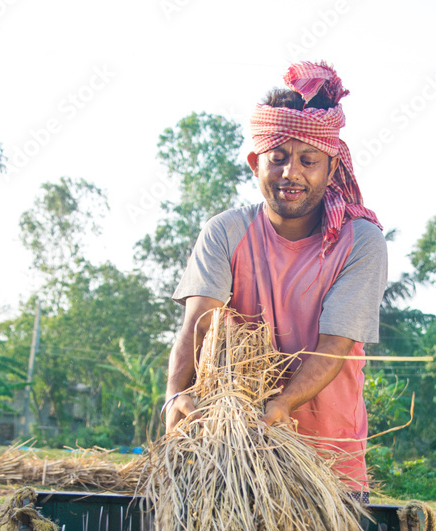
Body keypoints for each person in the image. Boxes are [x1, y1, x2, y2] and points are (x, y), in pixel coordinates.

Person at [165, 60, 387, 497]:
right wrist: (175, 395)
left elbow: (336, 346)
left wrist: (283, 404)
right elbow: (199, 325)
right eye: (278, 159)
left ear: (331, 167)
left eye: (309, 161)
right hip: (229, 454)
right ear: (255, 163)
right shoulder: (227, 232)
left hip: (327, 461)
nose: (292, 173)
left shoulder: (360, 242)